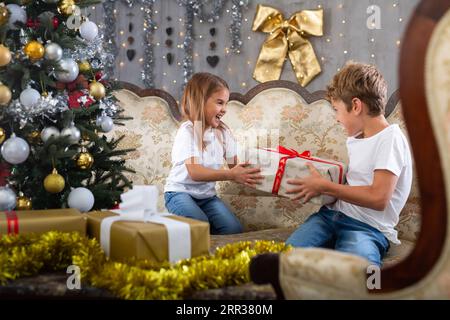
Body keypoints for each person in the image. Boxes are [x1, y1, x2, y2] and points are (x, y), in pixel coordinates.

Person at [285, 62, 413, 267]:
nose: (336, 119)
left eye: (336, 110)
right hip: (329, 218)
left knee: (360, 274)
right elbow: (354, 185)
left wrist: (326, 187)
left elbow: (379, 198)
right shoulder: (356, 138)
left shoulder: (391, 138)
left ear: (355, 106)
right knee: (283, 260)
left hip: (367, 228)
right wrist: (322, 193)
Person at [164, 72, 263, 234]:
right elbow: (195, 172)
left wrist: (266, 163)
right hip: (179, 193)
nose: (224, 110)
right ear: (200, 101)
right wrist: (231, 174)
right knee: (200, 226)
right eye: (219, 103)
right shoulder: (188, 131)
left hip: (207, 197)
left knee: (233, 230)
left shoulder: (223, 132)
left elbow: (236, 165)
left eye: (226, 104)